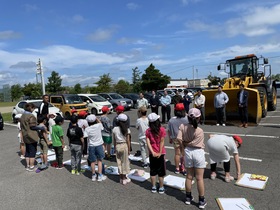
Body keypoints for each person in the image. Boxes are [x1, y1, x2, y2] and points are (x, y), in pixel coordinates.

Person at [177, 108, 207, 208]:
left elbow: (178, 138)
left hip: (188, 152)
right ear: (198, 118)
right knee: (199, 178)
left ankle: (188, 198)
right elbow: (197, 144)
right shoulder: (199, 131)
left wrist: (183, 145)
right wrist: (187, 144)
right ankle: (201, 201)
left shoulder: (182, 126)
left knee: (189, 176)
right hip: (198, 153)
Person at [20, 103, 45, 171]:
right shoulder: (31, 116)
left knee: (27, 151)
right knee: (32, 152)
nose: (34, 109)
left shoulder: (23, 115)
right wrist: (41, 128)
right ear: (31, 108)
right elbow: (33, 126)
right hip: (31, 136)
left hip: (25, 135)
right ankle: (31, 166)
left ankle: (27, 165)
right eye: (33, 108)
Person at [146, 113, 166, 194]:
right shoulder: (162, 129)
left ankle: (153, 187)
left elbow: (148, 143)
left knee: (153, 170)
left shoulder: (148, 131)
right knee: (161, 172)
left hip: (152, 153)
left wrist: (153, 152)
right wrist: (160, 152)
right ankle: (161, 187)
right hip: (160, 153)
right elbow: (162, 141)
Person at [84, 114, 107, 182]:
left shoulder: (87, 129)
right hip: (99, 144)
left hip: (91, 145)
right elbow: (100, 124)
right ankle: (100, 175)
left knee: (92, 161)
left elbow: (85, 137)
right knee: (99, 161)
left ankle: (93, 175)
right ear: (95, 120)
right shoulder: (98, 125)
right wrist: (96, 118)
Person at [168, 103, 188, 175]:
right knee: (184, 154)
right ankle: (184, 168)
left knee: (177, 153)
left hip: (175, 138)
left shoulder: (171, 120)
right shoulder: (186, 119)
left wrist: (170, 138)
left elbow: (169, 131)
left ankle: (177, 168)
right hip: (184, 138)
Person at [113, 113, 131, 185]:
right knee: (125, 162)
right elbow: (128, 141)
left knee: (119, 162)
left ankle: (121, 177)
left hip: (117, 145)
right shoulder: (127, 129)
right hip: (124, 145)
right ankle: (124, 178)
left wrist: (114, 147)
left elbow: (114, 140)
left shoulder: (115, 129)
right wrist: (129, 149)